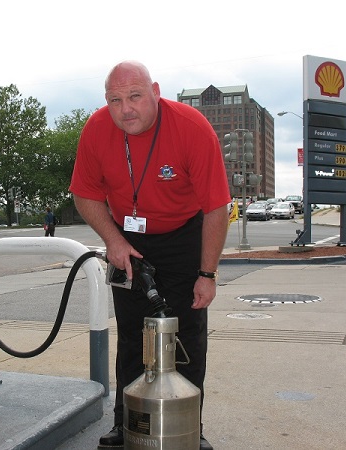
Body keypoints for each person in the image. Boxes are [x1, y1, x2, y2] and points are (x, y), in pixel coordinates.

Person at [69, 61, 230, 450]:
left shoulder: (192, 128)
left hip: (183, 237)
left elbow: (216, 207)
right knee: (131, 336)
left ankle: (189, 423)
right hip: (128, 238)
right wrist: (113, 240)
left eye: (135, 96)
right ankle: (126, 424)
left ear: (156, 91)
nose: (126, 109)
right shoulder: (96, 130)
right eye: (115, 100)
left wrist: (206, 273)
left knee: (186, 335)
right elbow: (85, 193)